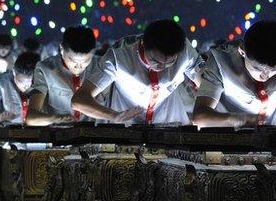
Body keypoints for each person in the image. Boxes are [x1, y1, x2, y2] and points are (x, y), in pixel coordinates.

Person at [192, 21, 276, 127]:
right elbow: (200, 116)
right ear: (242, 51)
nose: (265, 75)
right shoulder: (221, 61)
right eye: (257, 68)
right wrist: (239, 119)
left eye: (273, 69)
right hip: (232, 140)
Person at [72, 19, 202, 125]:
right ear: (143, 44)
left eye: (170, 63)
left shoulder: (185, 50)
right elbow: (79, 100)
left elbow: (207, 83)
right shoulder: (119, 55)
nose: (162, 67)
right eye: (155, 60)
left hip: (170, 122)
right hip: (127, 125)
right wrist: (114, 116)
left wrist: (203, 90)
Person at [26, 27, 102, 125]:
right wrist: (56, 118)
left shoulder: (101, 66)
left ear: (93, 52)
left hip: (93, 134)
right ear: (61, 48)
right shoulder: (45, 69)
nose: (79, 66)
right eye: (73, 60)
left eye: (86, 61)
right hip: (59, 133)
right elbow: (31, 118)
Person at [0, 51, 40, 123]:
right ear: (13, 72)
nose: (27, 86)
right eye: (21, 82)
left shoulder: (43, 81)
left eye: (31, 82)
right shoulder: (0, 82)